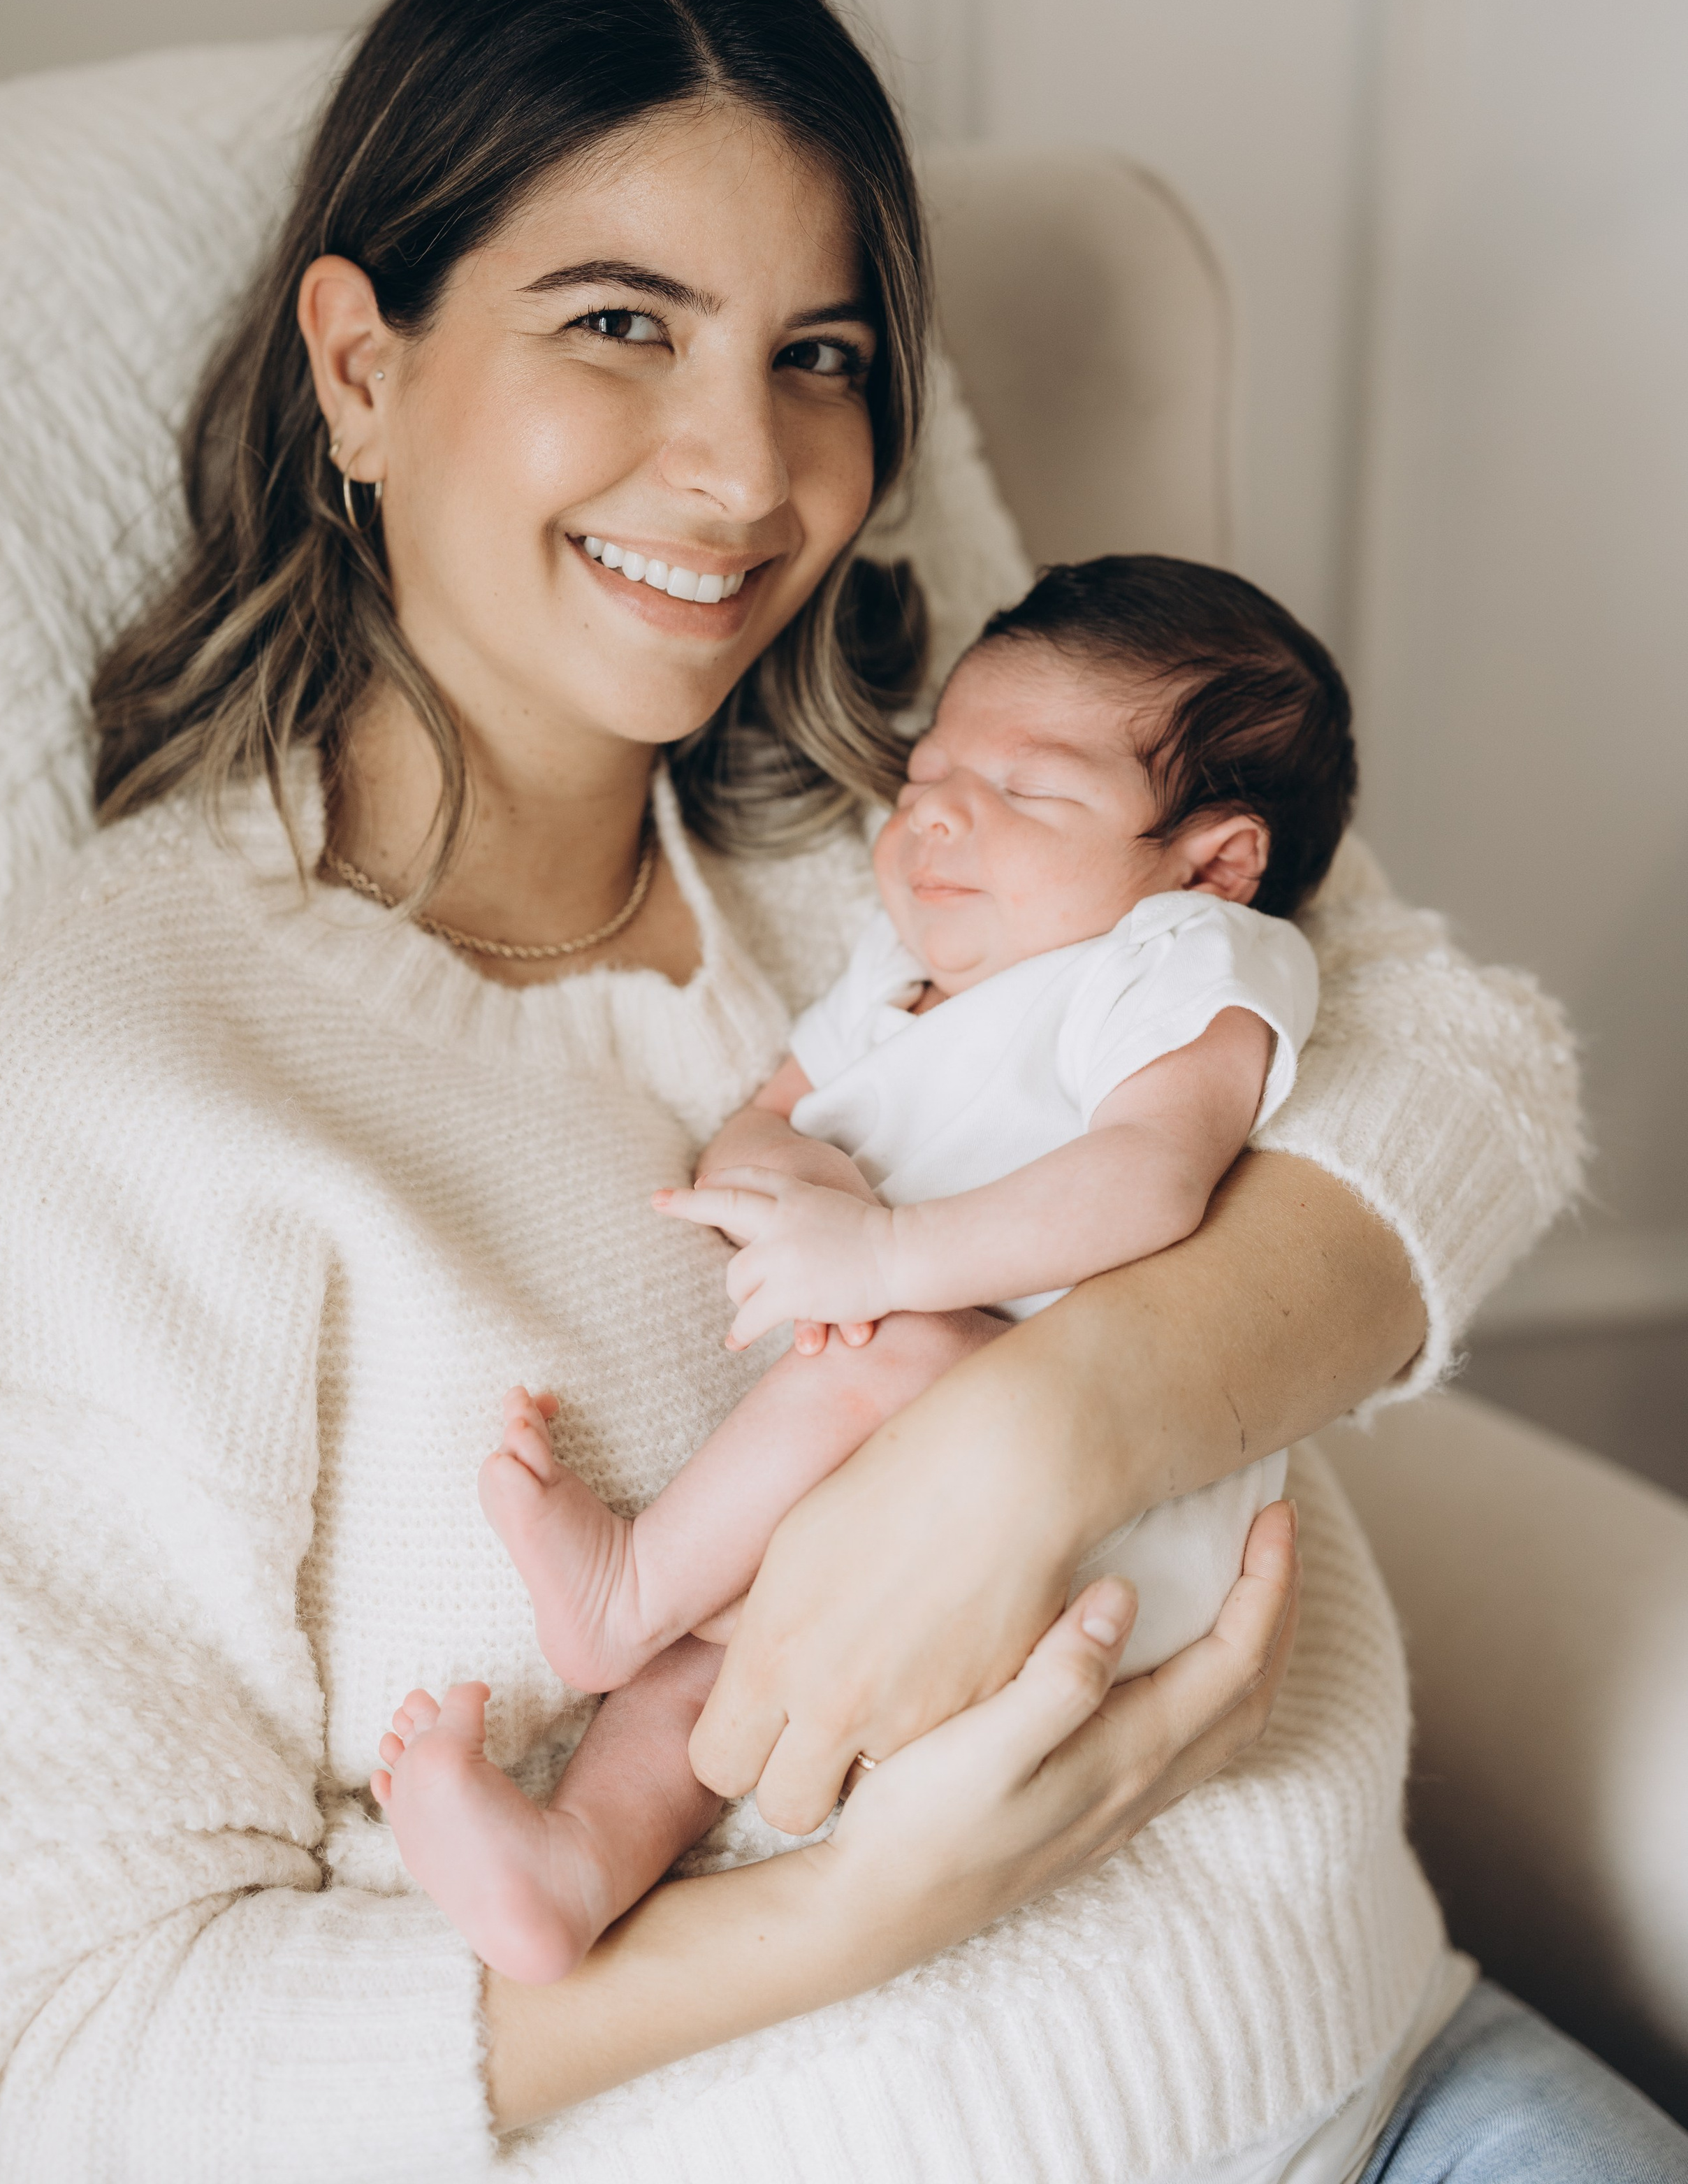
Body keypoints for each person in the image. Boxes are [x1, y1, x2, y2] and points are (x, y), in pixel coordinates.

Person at [0, 0, 1677, 2184]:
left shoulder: (914, 834)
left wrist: (1043, 1431)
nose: (747, 472)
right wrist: (859, 1913)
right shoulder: (103, 1088)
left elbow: (1453, 1054)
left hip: (1391, 2084)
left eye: (821, 354)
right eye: (621, 322)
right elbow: (28, 2063)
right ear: (361, 367)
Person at [388, 554, 1341, 1984]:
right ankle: (570, 1867)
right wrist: (797, 1186)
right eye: (927, 776)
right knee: (725, 1664)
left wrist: (883, 1252)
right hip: (909, 1458)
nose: (940, 815)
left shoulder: (1175, 958)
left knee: (874, 1359)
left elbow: (1150, 1177)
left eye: (1026, 793)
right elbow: (762, 1124)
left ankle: (623, 1588)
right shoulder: (895, 977)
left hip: (1103, 1509)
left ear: (1210, 858)